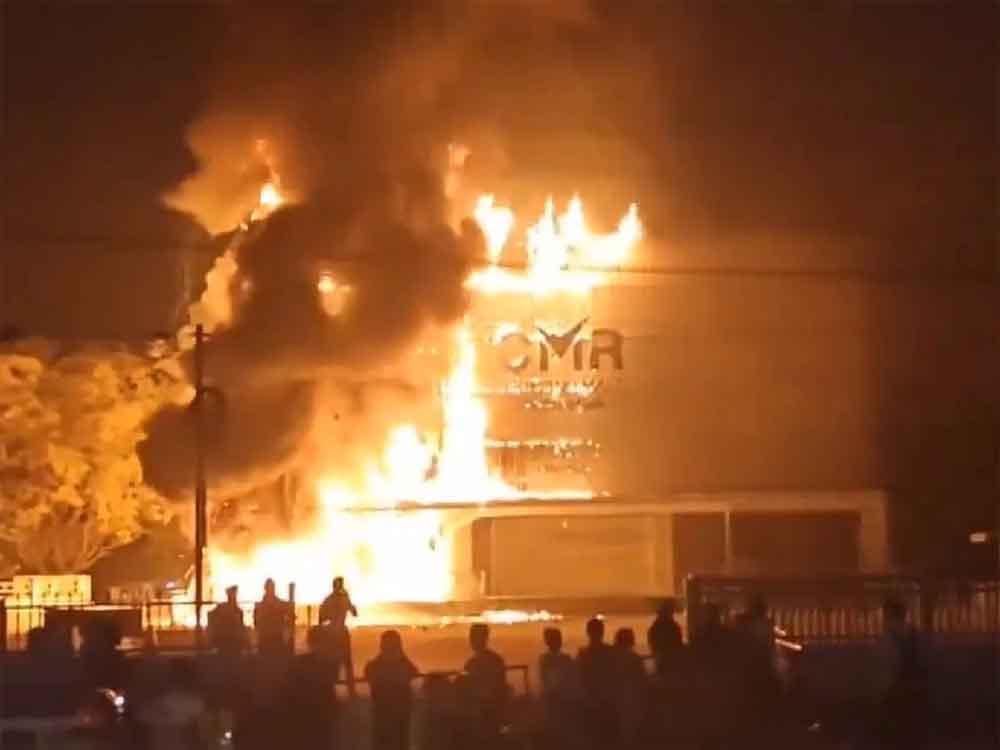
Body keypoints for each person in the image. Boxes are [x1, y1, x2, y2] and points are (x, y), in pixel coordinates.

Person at [873, 598, 926, 750]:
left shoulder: (888, 638)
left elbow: (888, 668)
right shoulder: (916, 635)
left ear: (889, 615)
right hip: (916, 690)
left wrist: (881, 692)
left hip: (895, 691)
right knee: (912, 735)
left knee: (895, 736)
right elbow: (924, 661)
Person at [283, 626, 338, 750]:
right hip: (320, 718)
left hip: (304, 718)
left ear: (310, 642)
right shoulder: (329, 665)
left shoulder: (299, 663)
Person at [364, 630, 419, 750]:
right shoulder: (403, 666)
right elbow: (414, 671)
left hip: (384, 716)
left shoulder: (373, 666)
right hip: (397, 716)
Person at [576, 617, 620, 748]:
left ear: (588, 632)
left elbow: (579, 679)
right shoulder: (611, 652)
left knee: (594, 739)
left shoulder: (583, 654)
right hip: (608, 701)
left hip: (591, 701)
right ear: (602, 632)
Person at [463, 623, 508, 747]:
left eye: (473, 637)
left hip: (484, 713)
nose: (471, 640)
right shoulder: (496, 660)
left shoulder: (472, 664)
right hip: (490, 712)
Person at [538, 627, 578, 748]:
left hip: (555, 701)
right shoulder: (565, 659)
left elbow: (545, 682)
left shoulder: (544, 659)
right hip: (562, 701)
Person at [319, 576, 358, 695]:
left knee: (343, 662)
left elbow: (354, 613)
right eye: (340, 585)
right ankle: (343, 691)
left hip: (336, 632)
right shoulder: (333, 599)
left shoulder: (336, 599)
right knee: (339, 663)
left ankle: (347, 690)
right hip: (335, 633)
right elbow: (354, 613)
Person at [613, 627, 648, 747]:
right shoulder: (635, 659)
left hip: (617, 703)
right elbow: (643, 681)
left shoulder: (611, 658)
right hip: (632, 703)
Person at [253, 578, 292, 657]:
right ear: (266, 589)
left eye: (272, 587)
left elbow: (290, 617)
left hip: (275, 639)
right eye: (270, 587)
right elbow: (256, 623)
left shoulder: (280, 604)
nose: (271, 590)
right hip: (266, 640)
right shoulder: (260, 606)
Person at [207, 586, 249, 658]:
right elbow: (211, 615)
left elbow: (240, 627)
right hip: (225, 640)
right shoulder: (223, 608)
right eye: (232, 594)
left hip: (233, 641)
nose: (234, 597)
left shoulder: (237, 610)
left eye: (235, 594)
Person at [647, 598, 683, 676]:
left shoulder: (656, 627)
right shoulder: (673, 627)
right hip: (671, 660)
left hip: (662, 659)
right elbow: (678, 643)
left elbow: (652, 642)